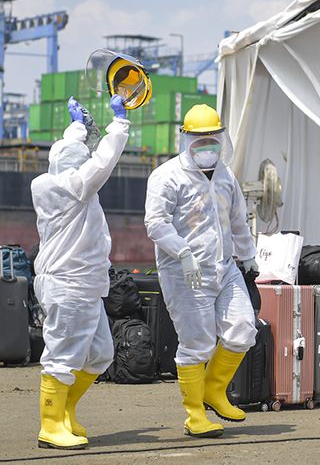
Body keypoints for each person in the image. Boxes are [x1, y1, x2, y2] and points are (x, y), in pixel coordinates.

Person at [144, 104, 258, 439]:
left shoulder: (225, 175)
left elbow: (238, 218)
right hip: (184, 273)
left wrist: (248, 255)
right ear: (186, 140)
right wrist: (183, 253)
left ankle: (213, 391)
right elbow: (156, 223)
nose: (207, 146)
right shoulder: (167, 177)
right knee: (197, 343)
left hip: (225, 268)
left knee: (242, 329)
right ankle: (195, 415)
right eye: (200, 140)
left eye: (213, 139)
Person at [31, 96, 129, 450]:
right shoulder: (71, 188)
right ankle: (49, 424)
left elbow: (71, 154)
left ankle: (66, 410)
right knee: (63, 355)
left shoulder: (58, 181)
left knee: (100, 353)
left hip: (85, 284)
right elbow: (102, 163)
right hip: (68, 284)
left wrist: (79, 128)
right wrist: (119, 124)